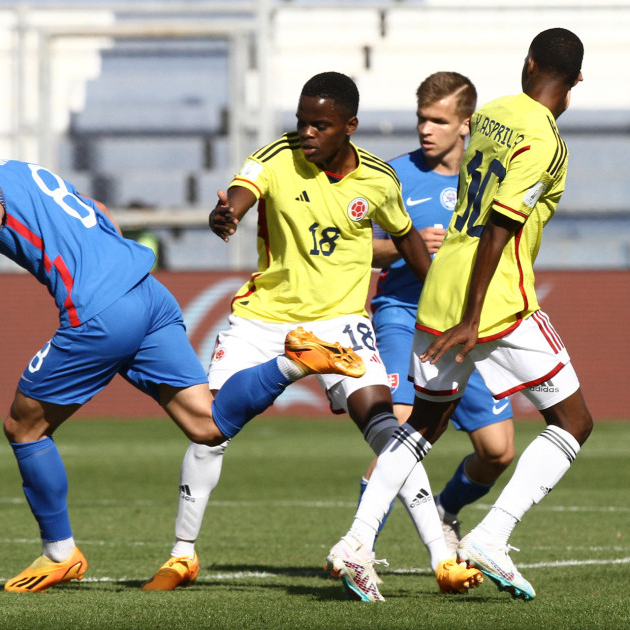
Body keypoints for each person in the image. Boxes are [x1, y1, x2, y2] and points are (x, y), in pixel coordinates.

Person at [0, 115, 366, 594]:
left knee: (24, 426)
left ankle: (60, 553)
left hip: (100, 310)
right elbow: (94, 207)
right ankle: (294, 361)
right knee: (207, 424)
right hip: (149, 293)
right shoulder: (17, 169)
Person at [142, 71, 482, 602]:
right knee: (209, 429)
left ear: (349, 126)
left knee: (387, 430)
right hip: (263, 320)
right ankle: (182, 554)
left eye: (320, 125)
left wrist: (439, 299)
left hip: (341, 322)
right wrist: (227, 213)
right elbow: (241, 193)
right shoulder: (276, 156)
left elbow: (408, 240)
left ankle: (443, 560)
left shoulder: (376, 179)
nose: (306, 133)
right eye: (301, 121)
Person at [328, 28, 592, 602]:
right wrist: (475, 315)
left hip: (439, 282)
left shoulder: (493, 113)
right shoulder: (547, 142)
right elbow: (502, 224)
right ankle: (492, 536)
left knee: (422, 425)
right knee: (573, 422)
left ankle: (356, 541)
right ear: (573, 85)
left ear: (528, 65)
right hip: (494, 297)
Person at [365, 71, 515, 555]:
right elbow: (356, 247)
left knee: (497, 451)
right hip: (404, 314)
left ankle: (448, 512)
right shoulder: (393, 175)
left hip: (465, 323)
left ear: (465, 124)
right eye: (421, 119)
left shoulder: (487, 175)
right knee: (401, 425)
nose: (425, 130)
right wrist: (401, 248)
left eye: (438, 121)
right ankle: (358, 544)